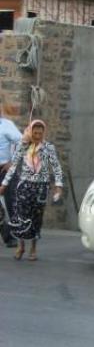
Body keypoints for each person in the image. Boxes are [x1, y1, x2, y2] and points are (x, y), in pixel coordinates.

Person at [0, 120, 63, 261]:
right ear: (30, 132)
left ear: (43, 133)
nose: (37, 136)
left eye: (40, 133)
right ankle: (21, 246)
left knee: (36, 218)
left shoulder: (48, 148)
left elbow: (57, 168)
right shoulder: (23, 147)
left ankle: (33, 247)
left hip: (41, 187)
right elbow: (13, 165)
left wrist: (58, 186)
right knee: (21, 217)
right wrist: (4, 184)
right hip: (24, 186)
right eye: (35, 133)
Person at [0, 106, 22, 248]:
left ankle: (14, 235)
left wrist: (13, 161)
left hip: (5, 170)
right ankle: (8, 235)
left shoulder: (7, 125)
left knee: (11, 203)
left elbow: (22, 142)